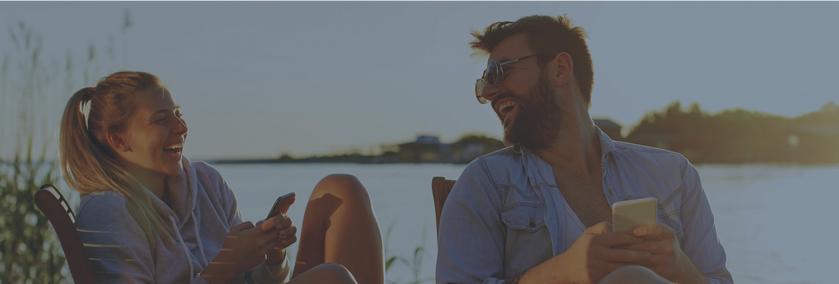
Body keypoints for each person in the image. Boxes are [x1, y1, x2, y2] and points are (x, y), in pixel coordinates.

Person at [436, 15, 733, 284]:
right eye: (484, 82)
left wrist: (681, 268)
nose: (488, 92)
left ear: (560, 69)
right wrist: (558, 275)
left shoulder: (675, 175)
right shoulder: (484, 184)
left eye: (498, 72)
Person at [60, 71, 384, 284]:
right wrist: (225, 265)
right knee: (333, 279)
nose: (181, 129)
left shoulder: (205, 183)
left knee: (343, 191)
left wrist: (270, 256)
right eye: (162, 120)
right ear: (119, 140)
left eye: (178, 114)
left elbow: (251, 279)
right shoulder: (108, 215)